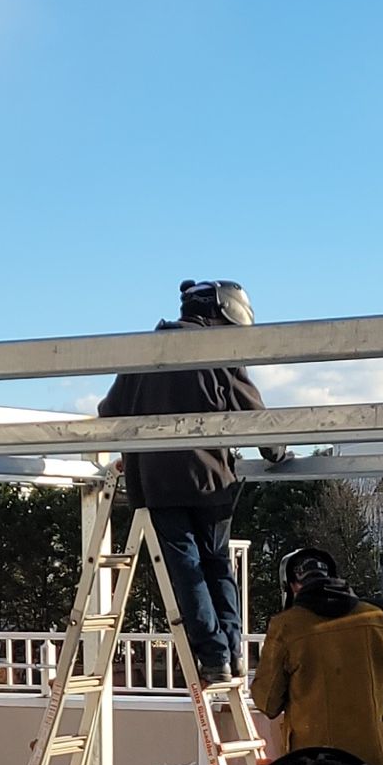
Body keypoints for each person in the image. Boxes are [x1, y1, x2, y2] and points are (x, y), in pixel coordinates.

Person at [98, 279, 276, 683]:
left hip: (158, 487)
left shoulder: (144, 355)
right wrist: (278, 453)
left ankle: (213, 657)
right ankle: (231, 650)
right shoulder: (217, 354)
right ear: (222, 314)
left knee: (186, 567)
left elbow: (109, 413)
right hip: (212, 483)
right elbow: (256, 417)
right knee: (216, 565)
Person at [252, 544, 383, 765]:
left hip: (312, 761)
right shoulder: (375, 618)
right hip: (370, 756)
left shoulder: (286, 626)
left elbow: (267, 702)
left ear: (294, 586)